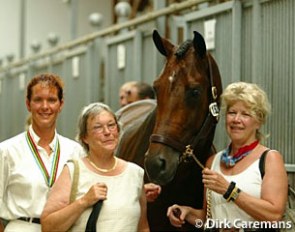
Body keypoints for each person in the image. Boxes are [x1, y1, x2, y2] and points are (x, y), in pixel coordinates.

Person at [167, 82, 288, 230]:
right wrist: (187, 212)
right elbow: (209, 218)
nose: (236, 119)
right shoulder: (213, 161)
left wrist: (229, 190)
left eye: (245, 114)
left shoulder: (269, 158)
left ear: (259, 122)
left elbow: (274, 215)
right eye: (232, 112)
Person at [41, 102, 150, 232]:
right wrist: (84, 201)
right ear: (84, 137)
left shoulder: (135, 173)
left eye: (111, 125)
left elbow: (143, 227)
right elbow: (48, 227)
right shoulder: (73, 170)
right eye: (98, 127)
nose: (107, 132)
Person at [0, 73, 84, 232]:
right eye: (38, 100)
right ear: (28, 104)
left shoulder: (75, 151)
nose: (45, 106)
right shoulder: (7, 151)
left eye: (52, 100)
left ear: (61, 104)